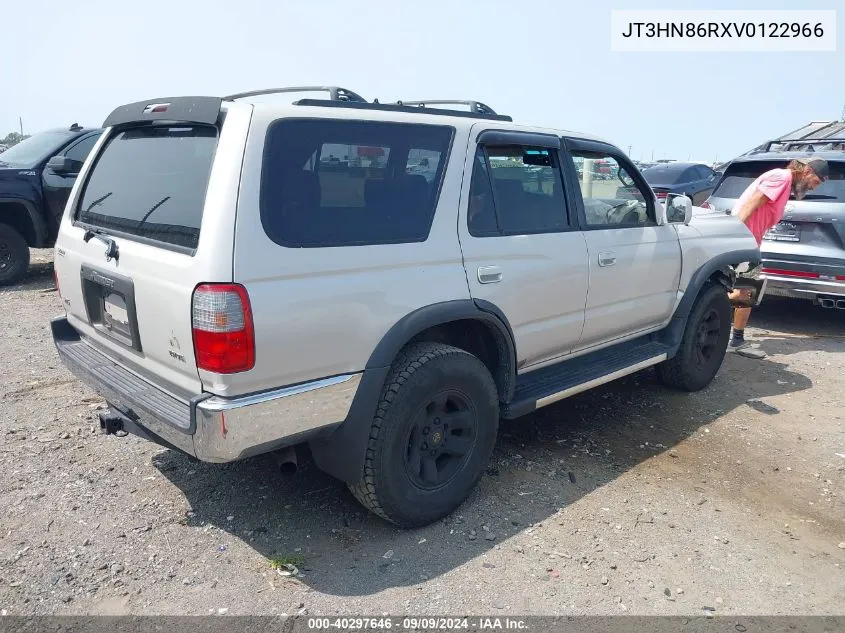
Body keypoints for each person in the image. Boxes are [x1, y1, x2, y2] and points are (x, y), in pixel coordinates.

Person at [727, 156, 829, 350]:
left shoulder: (784, 181)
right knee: (745, 291)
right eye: (816, 181)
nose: (814, 188)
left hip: (748, 241)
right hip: (743, 241)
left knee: (745, 290)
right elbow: (752, 203)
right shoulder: (781, 177)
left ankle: (736, 338)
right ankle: (719, 325)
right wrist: (736, 234)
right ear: (807, 171)